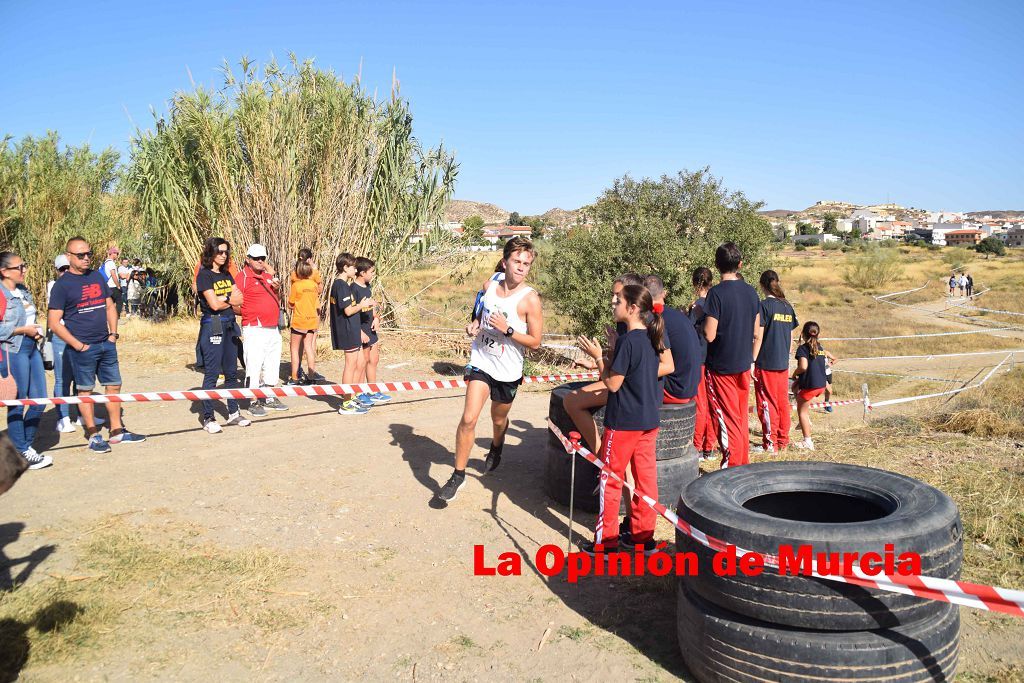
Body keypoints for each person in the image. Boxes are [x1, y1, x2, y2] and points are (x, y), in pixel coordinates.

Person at [438, 237, 543, 502]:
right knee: (469, 418)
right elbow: (479, 313)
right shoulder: (490, 285)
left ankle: (497, 445)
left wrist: (508, 329)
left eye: (526, 264)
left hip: (507, 370)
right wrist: (473, 325)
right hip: (481, 360)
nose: (521, 268)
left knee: (498, 420)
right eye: (517, 261)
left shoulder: (529, 299)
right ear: (505, 261)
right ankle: (458, 475)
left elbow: (536, 342)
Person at [577, 284, 668, 555]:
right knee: (645, 479)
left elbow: (614, 384)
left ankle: (606, 542)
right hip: (648, 419)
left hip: (624, 421)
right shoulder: (652, 337)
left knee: (611, 478)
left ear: (632, 308)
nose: (612, 304)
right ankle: (643, 538)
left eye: (617, 301)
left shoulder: (629, 341)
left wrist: (598, 359)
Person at [48, 236, 146, 452]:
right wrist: (78, 345)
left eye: (89, 254)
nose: (86, 258)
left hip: (106, 343)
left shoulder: (96, 277)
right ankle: (93, 434)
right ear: (68, 257)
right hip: (83, 349)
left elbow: (110, 306)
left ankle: (117, 431)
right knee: (85, 391)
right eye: (80, 255)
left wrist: (113, 335)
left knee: (114, 386)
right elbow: (54, 323)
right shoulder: (61, 286)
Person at [565, 273, 644, 453]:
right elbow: (625, 359)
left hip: (631, 390)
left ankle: (601, 458)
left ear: (631, 302)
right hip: (626, 384)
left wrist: (599, 357)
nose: (612, 300)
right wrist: (595, 362)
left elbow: (616, 381)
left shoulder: (639, 327)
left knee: (571, 401)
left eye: (617, 296)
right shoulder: (625, 323)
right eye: (612, 295)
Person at [703, 242, 760, 469]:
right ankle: (742, 464)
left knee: (727, 420)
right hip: (743, 363)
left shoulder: (715, 294)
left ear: (717, 266)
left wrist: (699, 319)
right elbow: (756, 331)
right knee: (740, 418)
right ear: (740, 264)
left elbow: (709, 334)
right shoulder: (751, 291)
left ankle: (732, 468)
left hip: (721, 366)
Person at [0, 252, 52, 469]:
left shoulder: (23, 291)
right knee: (17, 401)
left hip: (32, 348)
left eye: (24, 265)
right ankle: (22, 451)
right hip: (13, 351)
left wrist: (37, 331)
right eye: (19, 267)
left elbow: (31, 316)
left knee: (39, 399)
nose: (24, 270)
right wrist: (23, 329)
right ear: (4, 272)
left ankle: (23, 447)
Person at [195, 237, 251, 434]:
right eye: (219, 251)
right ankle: (208, 417)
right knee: (211, 372)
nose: (223, 255)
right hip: (213, 323)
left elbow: (239, 300)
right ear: (211, 252)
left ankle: (234, 412)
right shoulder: (204, 275)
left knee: (231, 371)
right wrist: (228, 299)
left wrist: (226, 300)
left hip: (229, 324)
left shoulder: (227, 275)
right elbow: (214, 305)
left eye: (226, 252)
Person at [233, 243, 289, 417]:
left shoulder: (268, 276)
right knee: (254, 364)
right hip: (254, 327)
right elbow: (234, 301)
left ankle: (270, 396)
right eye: (256, 258)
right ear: (248, 259)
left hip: (272, 326)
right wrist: (248, 313)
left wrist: (277, 288)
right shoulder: (241, 277)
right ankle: (253, 400)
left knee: (272, 363)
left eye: (262, 258)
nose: (259, 261)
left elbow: (276, 298)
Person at [752, 270, 799, 453]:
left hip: (766, 363)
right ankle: (782, 440)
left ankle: (770, 444)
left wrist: (752, 361)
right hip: (782, 363)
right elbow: (791, 337)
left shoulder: (764, 306)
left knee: (766, 403)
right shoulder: (787, 306)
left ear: (762, 285)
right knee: (782, 403)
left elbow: (758, 337)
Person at [329, 253, 373, 415]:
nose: (355, 270)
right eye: (353, 267)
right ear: (345, 267)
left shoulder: (342, 285)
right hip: (347, 331)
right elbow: (348, 311)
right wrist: (363, 304)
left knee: (355, 364)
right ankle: (346, 403)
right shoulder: (341, 286)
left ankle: (351, 397)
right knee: (350, 365)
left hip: (351, 330)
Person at [645, 274, 699, 406]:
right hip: (691, 388)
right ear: (663, 293)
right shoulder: (677, 315)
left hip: (674, 390)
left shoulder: (653, 319)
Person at [352, 257, 391, 405]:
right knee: (362, 362)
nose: (373, 274)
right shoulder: (353, 289)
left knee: (374, 360)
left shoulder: (368, 286)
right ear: (362, 273)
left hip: (371, 327)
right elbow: (352, 313)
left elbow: (374, 304)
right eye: (371, 272)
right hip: (361, 330)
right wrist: (359, 332)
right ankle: (359, 392)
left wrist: (376, 317)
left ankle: (372, 390)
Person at [792, 321, 837, 451]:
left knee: (802, 412)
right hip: (821, 384)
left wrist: (794, 373)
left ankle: (807, 441)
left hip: (811, 386)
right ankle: (804, 422)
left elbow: (803, 367)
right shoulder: (821, 348)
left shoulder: (803, 348)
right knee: (795, 387)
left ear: (803, 334)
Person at [688, 267, 716, 460]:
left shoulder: (697, 307)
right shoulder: (715, 305)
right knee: (711, 404)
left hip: (699, 358)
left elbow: (689, 333)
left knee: (700, 404)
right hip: (714, 358)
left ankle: (698, 445)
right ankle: (710, 445)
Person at [46, 255, 77, 433]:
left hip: (77, 334)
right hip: (60, 335)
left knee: (80, 377)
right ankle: (63, 418)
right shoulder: (55, 286)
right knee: (62, 379)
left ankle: (81, 414)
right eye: (62, 269)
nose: (65, 272)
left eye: (68, 268)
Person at [287, 254, 323, 386]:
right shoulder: (314, 285)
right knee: (309, 348)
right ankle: (312, 376)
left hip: (299, 321)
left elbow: (290, 303)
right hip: (312, 321)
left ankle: (295, 377)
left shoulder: (296, 285)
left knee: (295, 349)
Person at [102, 247, 123, 317]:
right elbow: (113, 275)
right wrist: (118, 286)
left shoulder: (105, 263)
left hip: (107, 286)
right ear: (113, 254)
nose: (117, 255)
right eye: (117, 253)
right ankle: (116, 317)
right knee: (119, 302)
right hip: (113, 286)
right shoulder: (111, 263)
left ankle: (108, 316)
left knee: (109, 303)